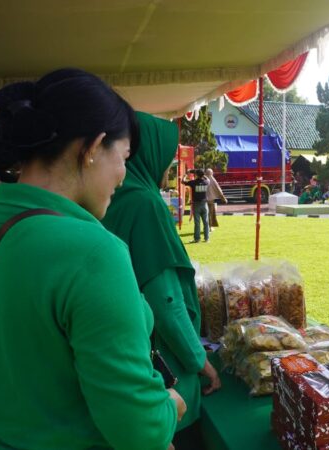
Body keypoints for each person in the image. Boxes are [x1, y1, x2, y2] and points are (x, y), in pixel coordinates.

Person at [0, 69, 183, 449]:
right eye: (123, 157)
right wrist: (170, 406)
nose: (122, 176)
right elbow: (138, 429)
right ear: (93, 148)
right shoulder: (94, 252)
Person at [103, 112, 221, 448]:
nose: (169, 169)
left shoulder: (115, 198)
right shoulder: (146, 204)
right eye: (167, 160)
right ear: (149, 156)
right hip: (162, 362)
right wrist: (200, 361)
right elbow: (166, 302)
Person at [184, 169, 210, 243]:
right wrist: (203, 175)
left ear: (196, 175)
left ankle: (197, 239)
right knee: (206, 222)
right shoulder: (206, 182)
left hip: (196, 204)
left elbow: (183, 181)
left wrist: (185, 175)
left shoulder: (193, 182)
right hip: (204, 204)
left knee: (197, 223)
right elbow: (207, 179)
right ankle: (207, 238)